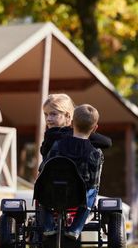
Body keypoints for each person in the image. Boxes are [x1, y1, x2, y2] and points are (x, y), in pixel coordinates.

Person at [42, 104, 104, 240]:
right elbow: (94, 181)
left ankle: (48, 226)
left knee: (42, 187)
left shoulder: (57, 145)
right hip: (79, 196)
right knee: (92, 191)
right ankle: (75, 229)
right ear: (95, 128)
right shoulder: (95, 152)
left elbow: (44, 168)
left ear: (71, 124)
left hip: (53, 192)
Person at [39, 93, 112, 159]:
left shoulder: (73, 133)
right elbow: (107, 142)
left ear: (67, 116)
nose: (48, 119)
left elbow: (106, 142)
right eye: (46, 114)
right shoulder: (51, 134)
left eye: (53, 114)